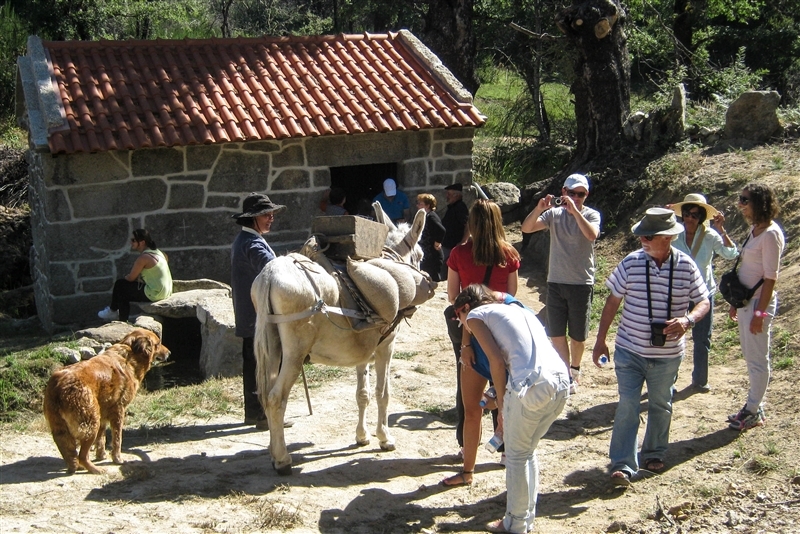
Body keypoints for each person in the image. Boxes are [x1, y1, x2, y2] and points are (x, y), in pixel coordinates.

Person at [592, 208, 709, 487]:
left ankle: (654, 452)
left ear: (667, 238)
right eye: (641, 234)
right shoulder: (631, 263)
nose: (642, 239)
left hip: (668, 355)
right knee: (628, 404)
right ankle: (622, 464)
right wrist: (600, 340)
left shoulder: (686, 266)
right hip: (629, 350)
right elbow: (612, 301)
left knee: (660, 404)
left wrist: (688, 319)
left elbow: (704, 301)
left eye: (648, 235)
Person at [454, 284, 569, 534]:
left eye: (458, 316)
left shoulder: (475, 315)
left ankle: (515, 524)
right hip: (561, 381)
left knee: (517, 456)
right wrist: (501, 395)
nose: (461, 323)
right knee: (526, 451)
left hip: (533, 386)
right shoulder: (518, 310)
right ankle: (525, 520)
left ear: (464, 307)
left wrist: (504, 408)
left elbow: (495, 359)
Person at [442, 199, 521, 486]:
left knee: (469, 394)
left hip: (470, 329)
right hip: (502, 329)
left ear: (472, 223)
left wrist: (469, 316)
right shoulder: (508, 253)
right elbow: (512, 295)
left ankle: (468, 457)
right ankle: (504, 447)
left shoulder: (460, 253)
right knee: (504, 387)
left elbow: (453, 295)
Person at [521, 173, 601, 393]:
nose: (575, 198)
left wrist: (575, 212)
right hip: (556, 280)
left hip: (581, 282)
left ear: (586, 195)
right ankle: (565, 373)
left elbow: (592, 235)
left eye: (580, 194)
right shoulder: (554, 214)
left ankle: (575, 370)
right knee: (556, 332)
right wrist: (539, 208)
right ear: (563, 192)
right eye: (571, 193)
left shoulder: (591, 214)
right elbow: (527, 228)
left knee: (578, 334)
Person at [727, 184, 784, 431]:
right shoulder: (755, 229)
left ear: (758, 203)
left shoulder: (771, 234)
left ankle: (753, 410)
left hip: (758, 305)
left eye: (744, 200)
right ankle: (753, 406)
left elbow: (771, 278)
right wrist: (736, 303)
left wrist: (759, 314)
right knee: (751, 358)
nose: (740, 204)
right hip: (746, 303)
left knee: (758, 359)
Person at [231, 193, 290, 430]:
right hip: (257, 317)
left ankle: (255, 413)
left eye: (271, 214)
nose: (271, 218)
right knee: (265, 366)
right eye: (266, 214)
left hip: (250, 316)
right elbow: (274, 270)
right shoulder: (251, 243)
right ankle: (264, 415)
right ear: (253, 218)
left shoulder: (244, 240)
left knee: (255, 366)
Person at [669, 193, 738, 392]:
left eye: (696, 215)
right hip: (679, 293)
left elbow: (731, 254)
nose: (690, 218)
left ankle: (700, 381)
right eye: (687, 214)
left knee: (702, 339)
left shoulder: (710, 236)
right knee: (673, 338)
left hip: (703, 294)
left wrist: (721, 230)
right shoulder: (674, 234)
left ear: (701, 218)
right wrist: (665, 218)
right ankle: (668, 382)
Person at [98, 229, 172, 322]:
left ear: (142, 242)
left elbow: (131, 278)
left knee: (120, 285)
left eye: (133, 240)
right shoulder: (158, 252)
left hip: (155, 293)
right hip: (166, 291)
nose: (131, 243)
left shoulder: (143, 258)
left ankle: (115, 313)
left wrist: (126, 278)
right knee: (123, 292)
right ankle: (119, 317)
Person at [440, 183, 469, 280]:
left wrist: (463, 241)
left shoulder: (460, 208)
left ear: (456, 195)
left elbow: (468, 225)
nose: (447, 196)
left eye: (449, 194)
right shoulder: (452, 207)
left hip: (453, 245)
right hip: (447, 243)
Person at [416, 193, 446, 281]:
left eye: (420, 204)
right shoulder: (426, 216)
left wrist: (437, 242)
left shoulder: (431, 217)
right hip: (428, 255)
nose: (417, 206)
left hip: (433, 256)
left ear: (428, 205)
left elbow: (441, 230)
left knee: (433, 278)